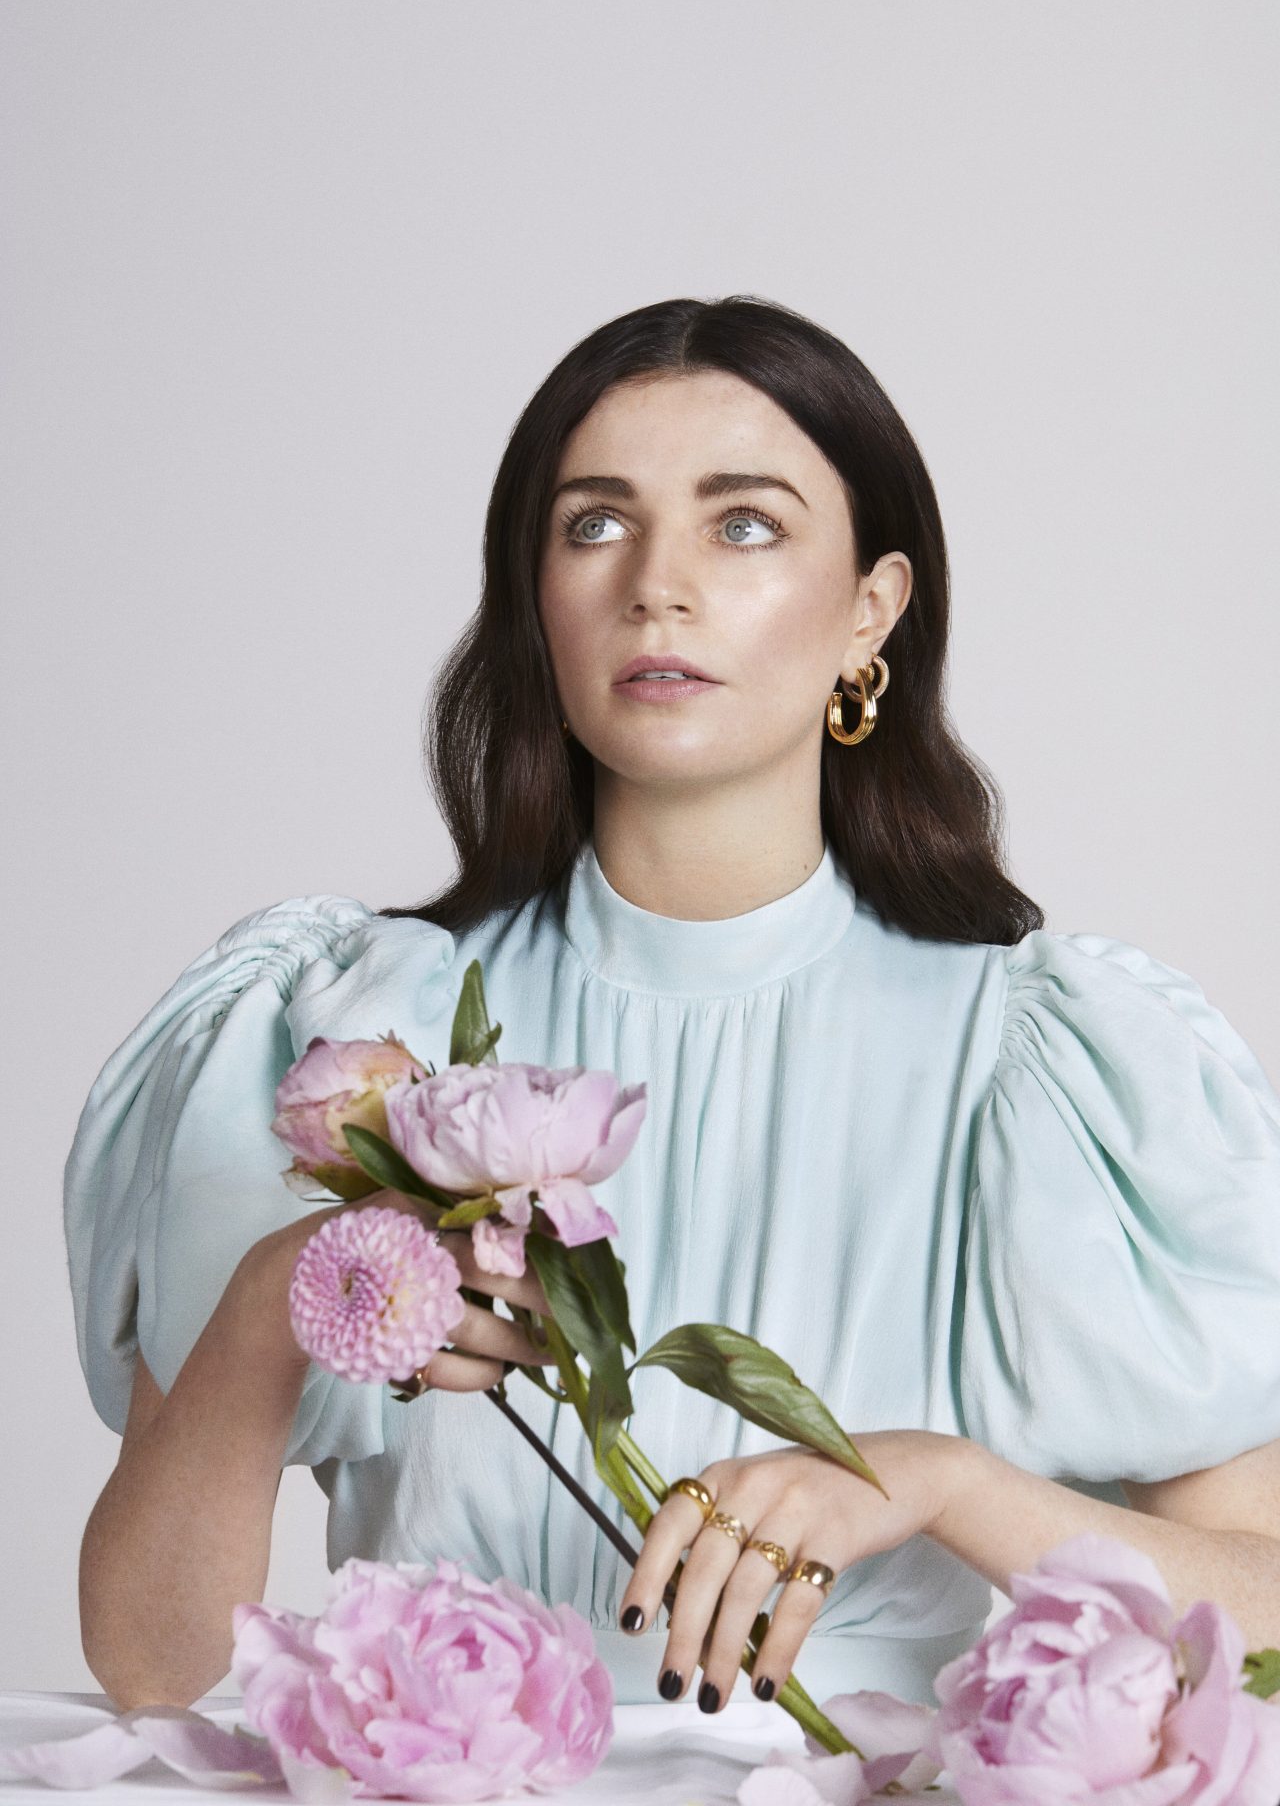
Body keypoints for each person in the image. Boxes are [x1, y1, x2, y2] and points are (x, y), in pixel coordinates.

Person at [65, 295, 1280, 1718]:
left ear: (872, 610)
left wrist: (937, 1483)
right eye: (594, 525)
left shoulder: (1052, 1062)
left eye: (744, 524)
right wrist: (286, 1292)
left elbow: (1259, 1613)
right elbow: (151, 1667)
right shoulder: (343, 1033)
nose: (657, 584)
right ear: (538, 598)